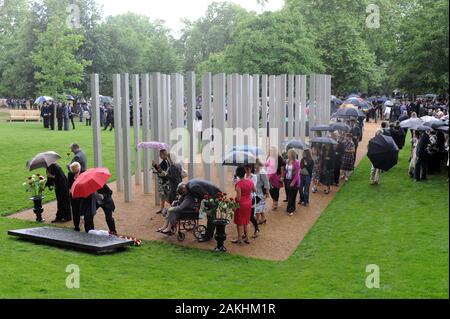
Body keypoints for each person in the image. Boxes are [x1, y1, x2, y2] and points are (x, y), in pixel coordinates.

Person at [232, 166, 255, 245]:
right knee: (247, 221)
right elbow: (254, 190)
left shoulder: (238, 184)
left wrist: (234, 205)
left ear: (237, 174)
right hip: (248, 202)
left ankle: (240, 239)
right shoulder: (250, 181)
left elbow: (238, 198)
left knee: (239, 222)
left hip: (241, 204)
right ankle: (247, 238)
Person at [153, 149, 171, 214]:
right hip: (166, 181)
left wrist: (155, 166)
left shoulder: (164, 162)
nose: (163, 155)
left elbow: (160, 171)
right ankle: (162, 208)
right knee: (163, 196)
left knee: (165, 196)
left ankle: (174, 206)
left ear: (161, 155)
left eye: (163, 154)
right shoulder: (168, 161)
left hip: (164, 182)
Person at [244, 164, 260, 239]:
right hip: (244, 197)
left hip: (251, 198)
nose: (247, 170)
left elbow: (252, 187)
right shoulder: (244, 175)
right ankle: (245, 233)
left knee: (250, 217)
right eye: (246, 169)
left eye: (248, 169)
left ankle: (256, 229)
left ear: (251, 168)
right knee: (245, 216)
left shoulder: (254, 176)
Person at [68, 162, 84, 232]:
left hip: (82, 195)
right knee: (75, 211)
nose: (75, 173)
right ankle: (76, 226)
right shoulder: (70, 174)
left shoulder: (84, 173)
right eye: (73, 172)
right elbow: (69, 185)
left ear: (79, 169)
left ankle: (84, 222)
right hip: (74, 195)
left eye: (76, 172)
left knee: (82, 210)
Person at [284, 149, 300, 216]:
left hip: (294, 181)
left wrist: (293, 182)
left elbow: (297, 174)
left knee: (292, 195)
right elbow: (286, 170)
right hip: (287, 179)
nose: (287, 154)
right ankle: (292, 207)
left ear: (292, 154)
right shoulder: (287, 161)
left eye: (289, 153)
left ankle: (289, 209)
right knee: (290, 195)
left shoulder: (296, 162)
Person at [254, 160, 270, 227]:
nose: (254, 166)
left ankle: (257, 220)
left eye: (254, 164)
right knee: (260, 206)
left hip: (261, 192)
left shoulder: (262, 172)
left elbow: (266, 183)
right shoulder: (255, 171)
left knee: (258, 206)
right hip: (255, 192)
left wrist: (267, 192)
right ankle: (263, 219)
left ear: (258, 164)